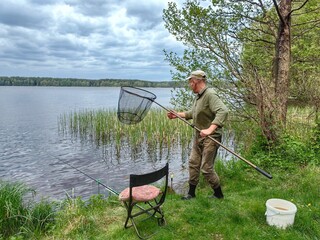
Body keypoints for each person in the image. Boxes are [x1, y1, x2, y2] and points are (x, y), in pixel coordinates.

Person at [167, 70, 229, 200]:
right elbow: (192, 113)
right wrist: (177, 114)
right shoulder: (199, 97)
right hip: (198, 136)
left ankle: (219, 194)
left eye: (190, 82)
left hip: (211, 139)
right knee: (193, 163)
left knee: (206, 169)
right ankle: (191, 194)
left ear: (196, 81)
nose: (189, 84)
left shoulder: (210, 95)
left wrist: (210, 130)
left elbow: (223, 111)